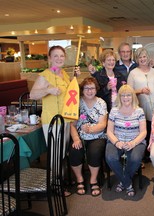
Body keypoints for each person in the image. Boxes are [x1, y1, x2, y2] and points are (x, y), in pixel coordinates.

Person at [30, 45, 81, 197]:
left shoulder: (64, 74)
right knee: (55, 155)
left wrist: (75, 79)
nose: (59, 59)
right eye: (56, 56)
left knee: (62, 154)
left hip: (65, 120)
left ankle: (61, 181)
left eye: (61, 56)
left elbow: (68, 94)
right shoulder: (45, 75)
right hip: (52, 122)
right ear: (49, 58)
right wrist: (47, 90)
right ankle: (56, 186)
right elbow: (32, 95)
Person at [105, 84, 147, 197]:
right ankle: (127, 183)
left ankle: (123, 182)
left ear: (133, 96)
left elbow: (143, 132)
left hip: (136, 141)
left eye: (128, 95)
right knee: (110, 158)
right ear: (119, 97)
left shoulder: (139, 111)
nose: (125, 98)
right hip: (116, 140)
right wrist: (117, 142)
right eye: (123, 95)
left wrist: (133, 143)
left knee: (135, 158)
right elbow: (109, 131)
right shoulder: (114, 111)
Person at [69, 77, 107, 197]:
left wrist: (91, 129)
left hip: (98, 135)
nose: (90, 91)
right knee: (74, 151)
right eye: (87, 88)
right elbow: (72, 124)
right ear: (82, 89)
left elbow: (103, 124)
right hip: (80, 136)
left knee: (94, 152)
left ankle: (93, 180)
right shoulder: (77, 102)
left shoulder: (101, 103)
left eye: (92, 88)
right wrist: (76, 138)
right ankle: (79, 179)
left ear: (96, 89)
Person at [127, 47, 154, 161]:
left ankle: (152, 152)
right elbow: (128, 91)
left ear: (148, 57)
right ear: (137, 59)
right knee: (143, 129)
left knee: (153, 129)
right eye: (140, 57)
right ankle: (142, 155)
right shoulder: (133, 73)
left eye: (144, 56)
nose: (143, 59)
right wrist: (140, 91)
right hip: (140, 107)